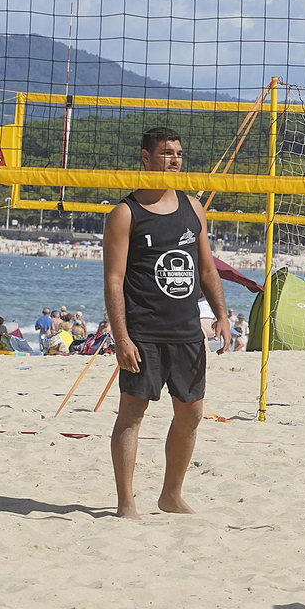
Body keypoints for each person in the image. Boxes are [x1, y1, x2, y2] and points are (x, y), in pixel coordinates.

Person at [103, 127, 231, 520]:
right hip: (143, 332)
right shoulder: (125, 213)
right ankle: (127, 503)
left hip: (186, 330)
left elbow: (206, 267)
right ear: (145, 158)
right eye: (165, 153)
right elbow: (113, 280)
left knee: (191, 413)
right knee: (132, 413)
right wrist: (121, 337)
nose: (174, 159)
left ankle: (170, 495)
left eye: (178, 153)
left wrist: (222, 315)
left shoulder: (193, 208)